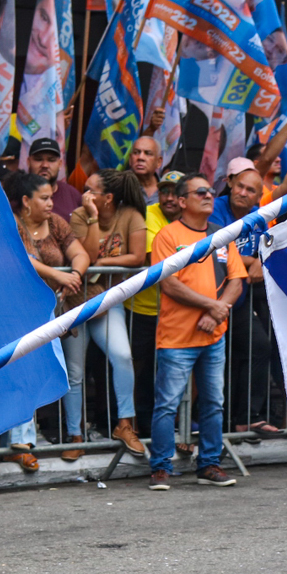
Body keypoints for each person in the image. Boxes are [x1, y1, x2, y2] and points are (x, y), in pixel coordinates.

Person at [148, 174, 245, 490]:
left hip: (213, 335)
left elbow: (236, 280)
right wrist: (212, 307)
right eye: (200, 191)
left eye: (210, 191)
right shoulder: (167, 235)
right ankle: (161, 467)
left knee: (213, 403)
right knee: (167, 404)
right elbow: (169, 283)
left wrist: (217, 312)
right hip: (177, 337)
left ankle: (210, 464)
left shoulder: (221, 235)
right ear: (181, 200)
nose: (209, 195)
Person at [8, 171, 90, 466]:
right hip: (19, 311)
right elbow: (20, 258)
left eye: (52, 197)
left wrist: (76, 274)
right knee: (24, 372)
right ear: (26, 201)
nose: (51, 203)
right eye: (44, 198)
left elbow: (79, 253)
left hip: (56, 311)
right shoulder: (12, 224)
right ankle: (21, 442)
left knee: (63, 372)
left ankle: (66, 435)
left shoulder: (56, 223)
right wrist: (58, 274)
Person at [69, 168, 149, 456]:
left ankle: (125, 423)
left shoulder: (130, 215)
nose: (84, 195)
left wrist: (102, 263)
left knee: (122, 356)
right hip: (77, 302)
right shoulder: (80, 215)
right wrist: (91, 217)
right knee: (75, 371)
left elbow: (138, 256)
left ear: (108, 197)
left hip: (108, 300)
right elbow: (86, 256)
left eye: (91, 190)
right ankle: (74, 435)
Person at [210, 159, 283, 437]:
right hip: (205, 300)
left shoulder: (258, 215)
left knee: (258, 346)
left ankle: (247, 417)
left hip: (235, 300)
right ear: (229, 184)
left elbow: (262, 263)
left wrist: (247, 262)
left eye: (251, 190)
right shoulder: (215, 208)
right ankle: (218, 424)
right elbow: (219, 251)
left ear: (257, 196)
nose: (243, 192)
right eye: (239, 186)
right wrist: (246, 261)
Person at [126, 171, 186, 426]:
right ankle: (140, 425)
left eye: (175, 192)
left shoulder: (194, 219)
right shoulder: (149, 214)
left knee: (172, 372)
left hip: (178, 313)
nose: (169, 198)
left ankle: (175, 427)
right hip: (143, 310)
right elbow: (157, 260)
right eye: (164, 191)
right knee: (140, 370)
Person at [27, 137, 83, 220]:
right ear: (28, 162)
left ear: (60, 164)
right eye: (38, 159)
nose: (45, 165)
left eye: (51, 160)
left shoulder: (73, 195)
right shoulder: (14, 195)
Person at [127, 134, 163, 205]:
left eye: (148, 153)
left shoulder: (167, 189)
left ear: (158, 162)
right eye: (136, 152)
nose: (141, 157)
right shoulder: (119, 188)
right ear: (130, 159)